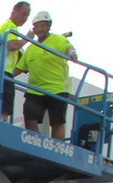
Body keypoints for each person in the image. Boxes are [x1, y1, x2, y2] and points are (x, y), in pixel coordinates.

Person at [18, 10, 78, 139]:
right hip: (35, 90)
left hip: (56, 88)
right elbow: (19, 67)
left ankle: (56, 146)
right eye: (37, 26)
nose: (40, 28)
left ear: (48, 26)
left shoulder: (58, 39)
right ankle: (38, 142)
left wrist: (72, 53)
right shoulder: (31, 48)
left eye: (43, 25)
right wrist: (4, 75)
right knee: (30, 119)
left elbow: (68, 48)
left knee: (56, 122)